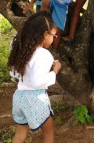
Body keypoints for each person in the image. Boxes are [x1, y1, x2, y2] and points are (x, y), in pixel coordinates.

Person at [7, 11, 61, 143]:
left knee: (20, 134)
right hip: (35, 99)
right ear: (45, 34)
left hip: (19, 97)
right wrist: (54, 72)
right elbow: (37, 82)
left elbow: (14, 73)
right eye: (53, 35)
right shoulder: (44, 55)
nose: (54, 39)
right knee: (48, 133)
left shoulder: (19, 47)